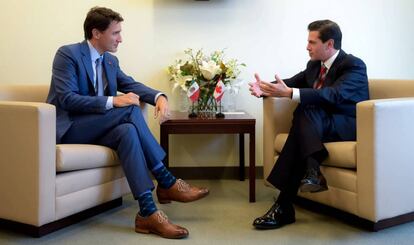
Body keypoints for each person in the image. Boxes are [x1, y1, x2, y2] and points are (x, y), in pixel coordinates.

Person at [47, 7, 209, 239]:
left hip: (97, 128)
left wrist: (159, 97)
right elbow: (67, 98)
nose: (120, 39)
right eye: (115, 33)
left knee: (127, 132)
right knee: (129, 110)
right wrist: (114, 101)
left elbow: (131, 85)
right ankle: (166, 180)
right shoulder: (68, 54)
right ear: (96, 33)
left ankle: (147, 213)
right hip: (70, 127)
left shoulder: (110, 61)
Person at [249, 20, 369, 229]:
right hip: (317, 126)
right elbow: (292, 82)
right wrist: (266, 87)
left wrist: (290, 94)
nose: (307, 47)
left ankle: (286, 203)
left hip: (346, 125)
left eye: (312, 42)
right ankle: (309, 175)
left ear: (329, 44)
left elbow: (335, 95)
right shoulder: (314, 66)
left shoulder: (353, 65)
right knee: (305, 110)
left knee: (304, 108)